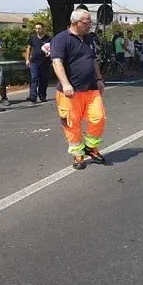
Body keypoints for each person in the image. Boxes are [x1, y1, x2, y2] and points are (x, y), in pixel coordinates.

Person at [49, 9, 107, 170]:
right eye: (86, 23)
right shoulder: (61, 39)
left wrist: (99, 79)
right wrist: (66, 84)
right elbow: (57, 62)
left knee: (98, 118)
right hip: (71, 91)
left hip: (91, 89)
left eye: (90, 23)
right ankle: (77, 154)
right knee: (72, 124)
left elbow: (93, 60)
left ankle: (91, 147)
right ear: (75, 23)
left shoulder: (89, 39)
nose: (89, 26)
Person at [24, 22, 53, 103]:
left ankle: (42, 95)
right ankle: (32, 96)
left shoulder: (49, 38)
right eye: (36, 28)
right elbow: (29, 48)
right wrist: (27, 59)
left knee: (44, 79)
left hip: (45, 62)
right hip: (34, 62)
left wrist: (50, 55)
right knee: (34, 78)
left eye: (39, 28)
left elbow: (52, 48)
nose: (37, 30)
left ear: (43, 29)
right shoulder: (32, 38)